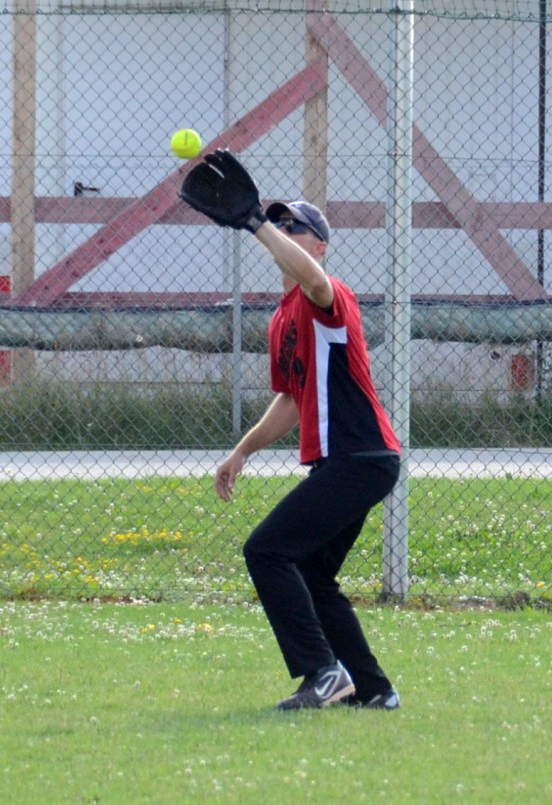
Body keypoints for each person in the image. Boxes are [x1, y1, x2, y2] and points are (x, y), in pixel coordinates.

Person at [180, 152, 401, 712]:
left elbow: (313, 281)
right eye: (278, 224)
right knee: (310, 572)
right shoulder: (282, 318)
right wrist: (242, 451)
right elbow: (290, 399)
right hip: (347, 462)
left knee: (268, 551)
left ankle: (322, 672)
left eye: (293, 227)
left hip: (361, 455)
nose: (281, 230)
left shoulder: (328, 295)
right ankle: (374, 690)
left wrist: (254, 224)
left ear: (320, 245)